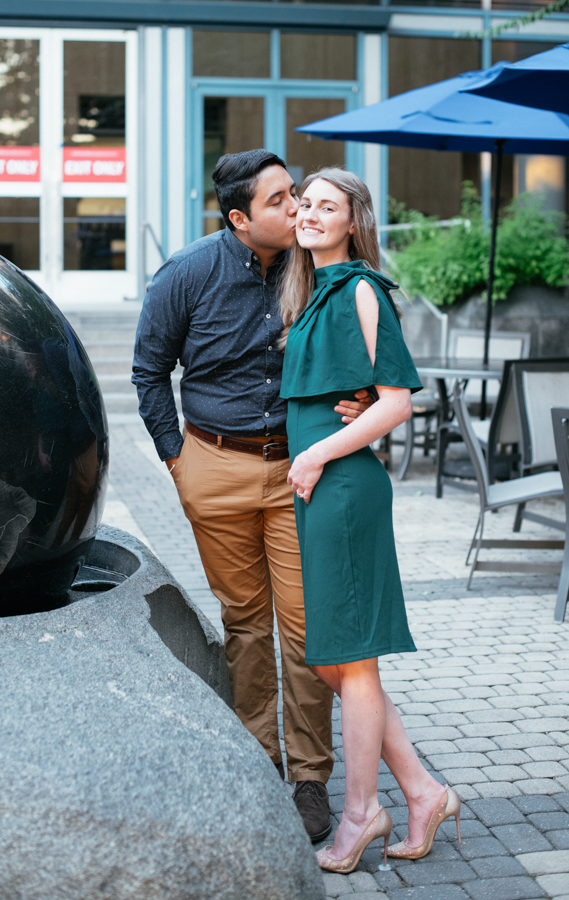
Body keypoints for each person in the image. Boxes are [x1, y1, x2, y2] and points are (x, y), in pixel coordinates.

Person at [132, 150, 373, 843]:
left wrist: (360, 405)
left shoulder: (316, 268)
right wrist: (177, 460)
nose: (296, 207)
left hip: (301, 470)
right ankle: (257, 758)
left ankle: (311, 778)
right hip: (215, 465)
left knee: (305, 629)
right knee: (243, 620)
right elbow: (149, 370)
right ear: (239, 218)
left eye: (296, 193)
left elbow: (358, 355)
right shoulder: (186, 273)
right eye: (278, 200)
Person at [280, 167, 461, 873]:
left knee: (350, 661)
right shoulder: (312, 292)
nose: (310, 215)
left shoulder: (358, 289)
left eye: (327, 207)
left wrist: (316, 453)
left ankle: (361, 814)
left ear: (353, 221)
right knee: (331, 657)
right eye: (305, 205)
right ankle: (420, 790)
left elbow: (394, 403)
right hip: (320, 484)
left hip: (340, 487)